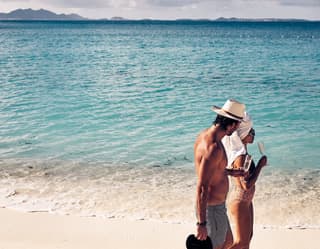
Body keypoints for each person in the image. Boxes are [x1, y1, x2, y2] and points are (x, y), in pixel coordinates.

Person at [194, 99, 246, 249]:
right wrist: (201, 223)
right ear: (231, 124)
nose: (236, 130)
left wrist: (230, 172)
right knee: (218, 246)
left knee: (228, 241)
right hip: (211, 209)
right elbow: (202, 187)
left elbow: (212, 170)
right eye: (236, 126)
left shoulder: (206, 136)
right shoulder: (213, 148)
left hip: (217, 207)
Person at [222, 112, 267, 249]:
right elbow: (245, 185)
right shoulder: (240, 156)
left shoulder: (243, 153)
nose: (253, 134)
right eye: (251, 131)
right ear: (243, 134)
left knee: (248, 238)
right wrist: (260, 165)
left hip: (246, 200)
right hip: (240, 201)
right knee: (241, 243)